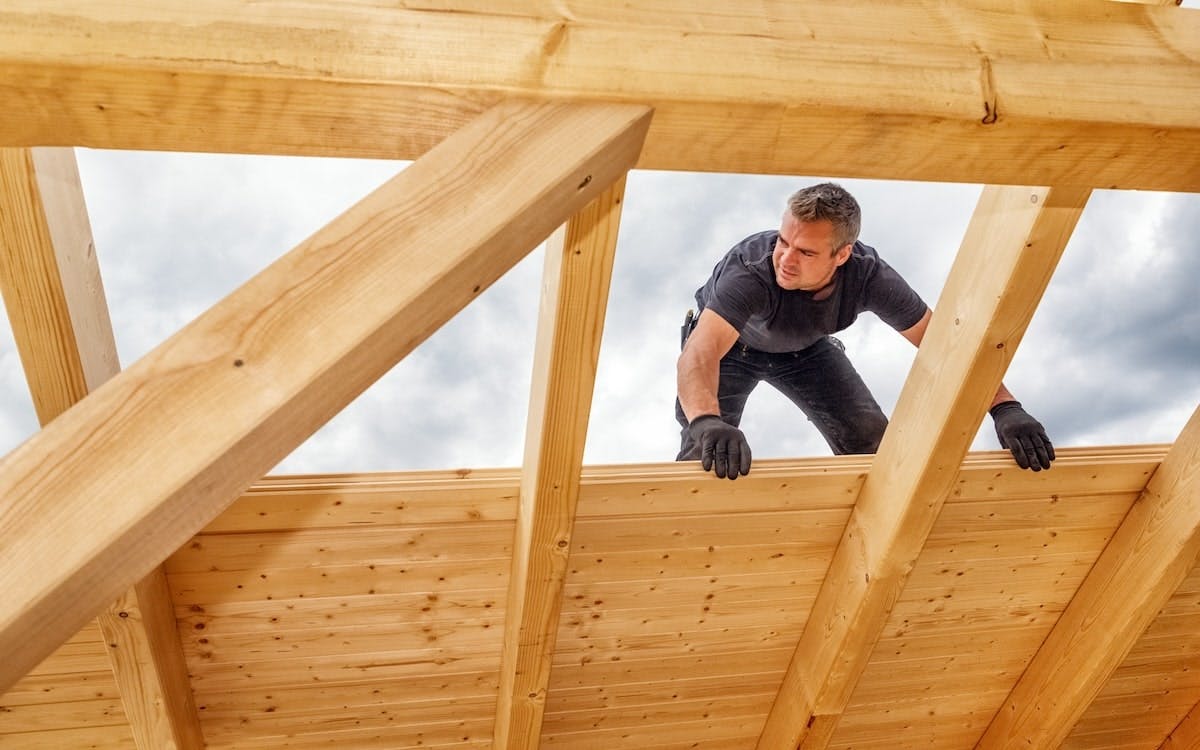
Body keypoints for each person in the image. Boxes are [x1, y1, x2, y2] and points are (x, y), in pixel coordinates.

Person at [675, 182, 1054, 480]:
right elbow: (700, 353)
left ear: (842, 255)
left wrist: (1005, 407)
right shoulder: (752, 271)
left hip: (805, 351)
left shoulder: (870, 277)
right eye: (784, 242)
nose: (785, 260)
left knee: (874, 447)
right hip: (732, 349)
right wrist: (708, 421)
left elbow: (942, 345)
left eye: (805, 253)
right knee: (706, 449)